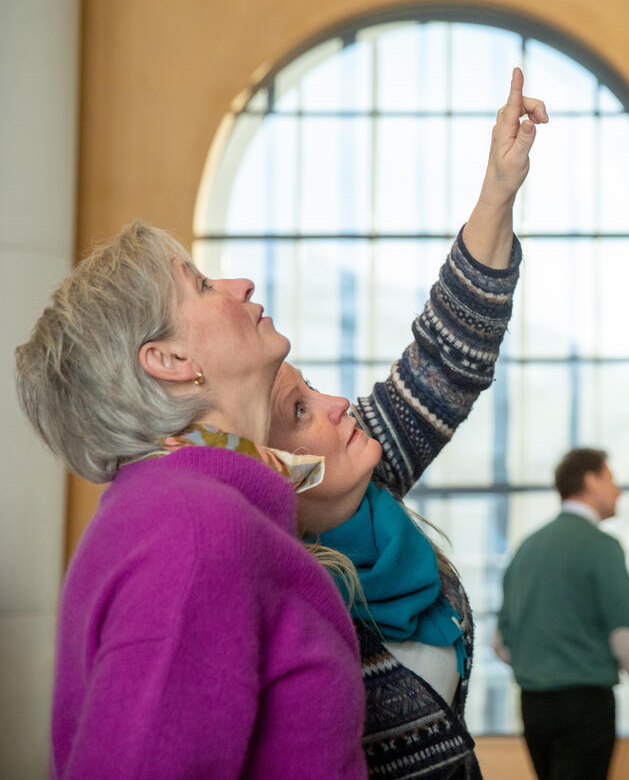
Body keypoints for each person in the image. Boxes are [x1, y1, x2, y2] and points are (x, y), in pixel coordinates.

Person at [266, 67, 546, 780]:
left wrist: (498, 188)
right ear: (275, 471)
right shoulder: (281, 593)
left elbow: (450, 352)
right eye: (301, 413)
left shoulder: (371, 479)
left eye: (313, 390)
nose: (337, 406)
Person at [14, 223, 366, 778]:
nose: (242, 285)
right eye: (201, 286)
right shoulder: (193, 527)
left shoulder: (184, 507)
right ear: (171, 359)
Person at [495, 447, 629, 780]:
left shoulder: (527, 547)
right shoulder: (602, 547)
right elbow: (627, 639)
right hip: (585, 705)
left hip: (533, 706)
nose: (618, 490)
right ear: (591, 481)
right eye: (611, 479)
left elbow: (502, 642)